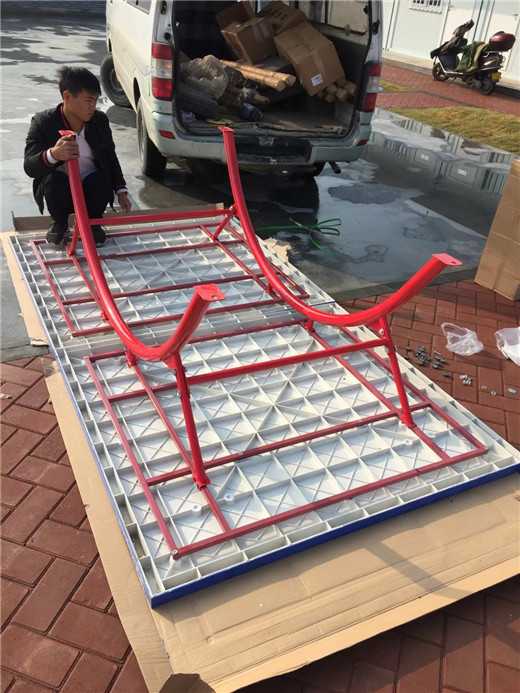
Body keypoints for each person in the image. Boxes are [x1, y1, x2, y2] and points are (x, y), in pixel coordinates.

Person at [24, 66, 131, 247]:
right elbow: (29, 166)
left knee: (100, 179)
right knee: (54, 180)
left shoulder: (99, 121)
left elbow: (110, 157)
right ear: (67, 97)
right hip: (61, 189)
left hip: (92, 187)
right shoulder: (43, 122)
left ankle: (93, 223)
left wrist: (121, 191)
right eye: (88, 101)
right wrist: (53, 154)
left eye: (95, 101)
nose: (92, 107)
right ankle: (60, 224)